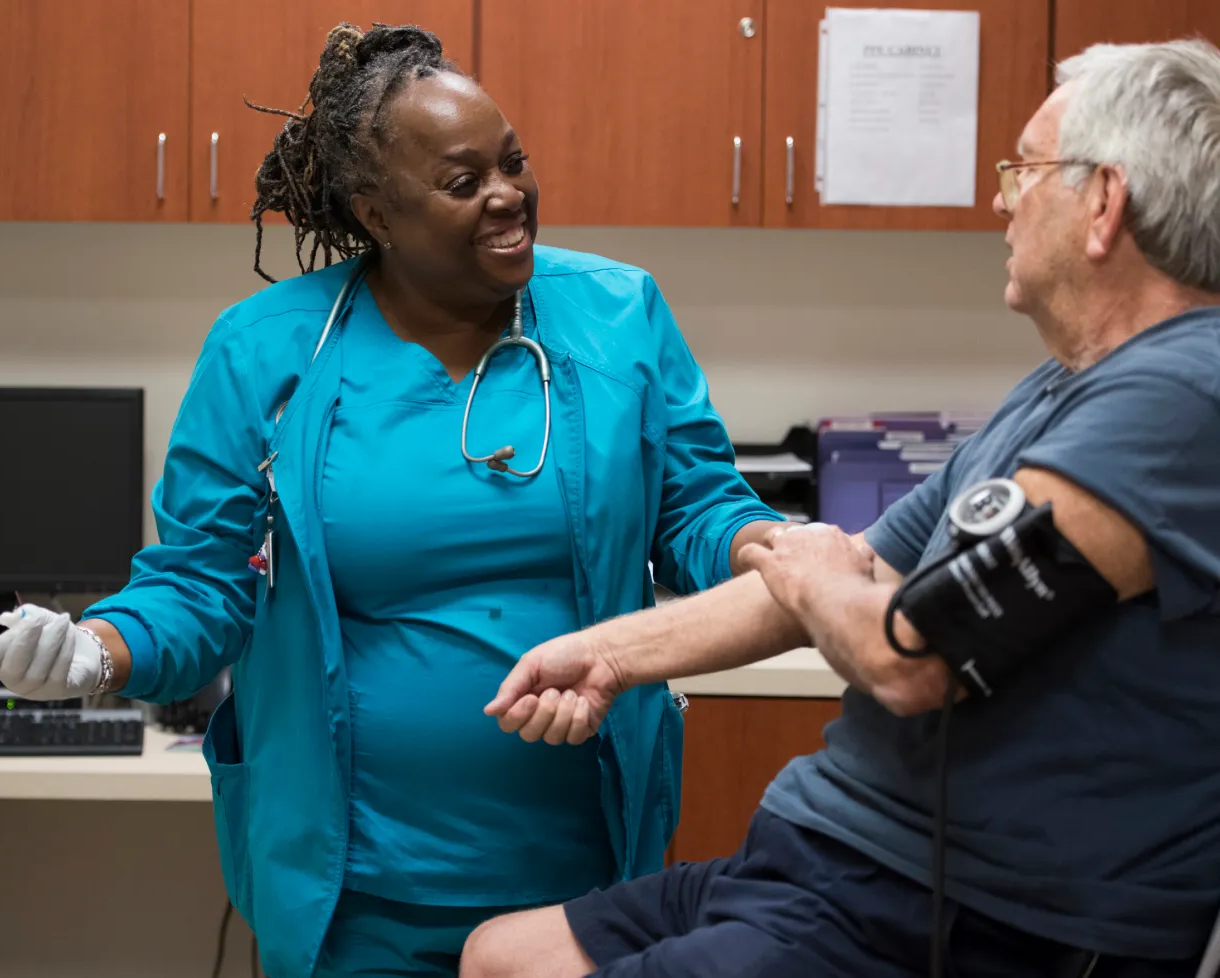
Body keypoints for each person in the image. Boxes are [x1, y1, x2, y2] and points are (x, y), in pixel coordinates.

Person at [0, 22, 782, 978]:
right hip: (351, 885)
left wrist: (770, 549)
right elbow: (203, 585)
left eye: (514, 163)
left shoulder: (619, 314)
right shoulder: (266, 351)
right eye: (462, 180)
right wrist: (96, 651)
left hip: (583, 871)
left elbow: (696, 508)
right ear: (375, 211)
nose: (508, 196)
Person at [462, 37, 1220, 978]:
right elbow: (837, 570)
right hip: (833, 855)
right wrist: (610, 655)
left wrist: (824, 571)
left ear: (1103, 203)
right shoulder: (1064, 390)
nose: (1000, 198)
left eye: (1024, 169)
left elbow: (913, 652)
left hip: (968, 913)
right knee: (502, 956)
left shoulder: (1185, 395)